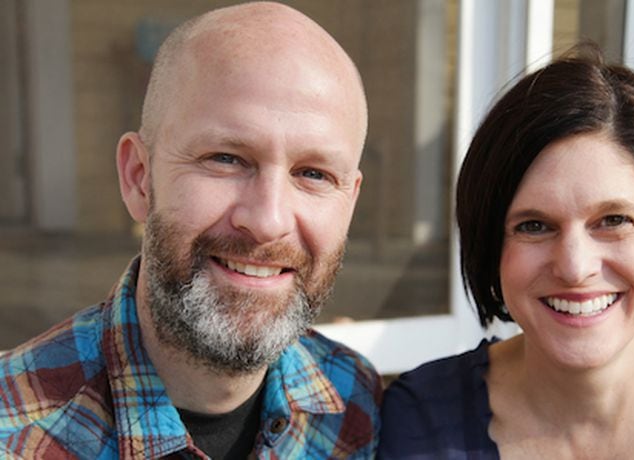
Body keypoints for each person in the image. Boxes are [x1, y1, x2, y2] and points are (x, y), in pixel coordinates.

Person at [379, 45, 634, 459]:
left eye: (614, 220)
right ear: (492, 242)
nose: (575, 267)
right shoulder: (417, 424)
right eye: (534, 226)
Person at [0, 2, 381, 458]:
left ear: (350, 201)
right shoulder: (15, 435)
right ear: (139, 177)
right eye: (225, 158)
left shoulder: (354, 402)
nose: (268, 221)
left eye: (314, 174)